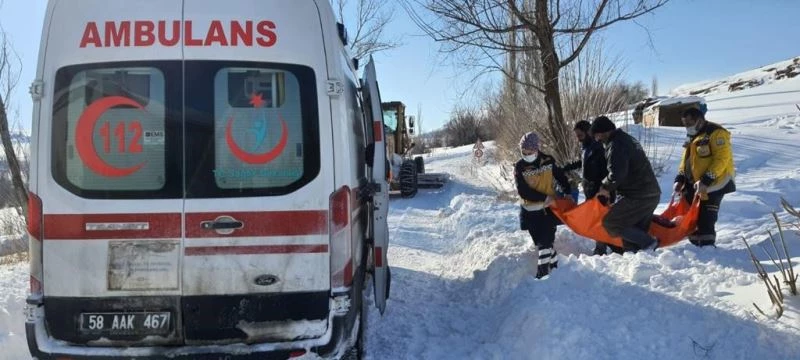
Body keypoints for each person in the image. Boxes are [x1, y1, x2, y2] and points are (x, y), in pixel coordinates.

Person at [591, 116, 661, 252]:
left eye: (597, 136)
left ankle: (649, 242)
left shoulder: (616, 145)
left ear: (605, 132)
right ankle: (640, 262)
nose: (597, 140)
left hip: (639, 196)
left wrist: (604, 187)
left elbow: (617, 173)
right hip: (650, 193)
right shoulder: (626, 139)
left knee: (610, 223)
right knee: (632, 239)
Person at [673, 107, 735, 247]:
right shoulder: (693, 136)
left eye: (689, 123)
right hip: (693, 185)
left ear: (699, 121)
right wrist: (680, 177)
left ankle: (707, 248)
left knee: (706, 218)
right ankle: (695, 248)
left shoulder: (716, 133)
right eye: (685, 124)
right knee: (692, 218)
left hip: (714, 184)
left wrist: (707, 179)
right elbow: (686, 159)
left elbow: (722, 159)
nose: (687, 127)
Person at [515, 132, 572, 279]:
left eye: (529, 151)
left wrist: (567, 191)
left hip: (547, 211)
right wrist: (545, 197)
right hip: (529, 212)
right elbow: (523, 191)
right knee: (542, 244)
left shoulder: (548, 160)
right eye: (523, 152)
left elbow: (560, 176)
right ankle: (556, 268)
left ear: (537, 149)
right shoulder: (520, 166)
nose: (526, 154)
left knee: (546, 242)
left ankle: (541, 277)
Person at [564, 120, 624, 255]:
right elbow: (583, 161)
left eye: (580, 135)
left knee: (601, 221)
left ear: (587, 132)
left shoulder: (599, 147)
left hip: (600, 190)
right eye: (577, 136)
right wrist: (567, 167)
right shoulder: (586, 147)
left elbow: (607, 170)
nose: (578, 139)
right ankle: (609, 247)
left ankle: (609, 247)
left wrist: (604, 189)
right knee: (597, 220)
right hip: (590, 190)